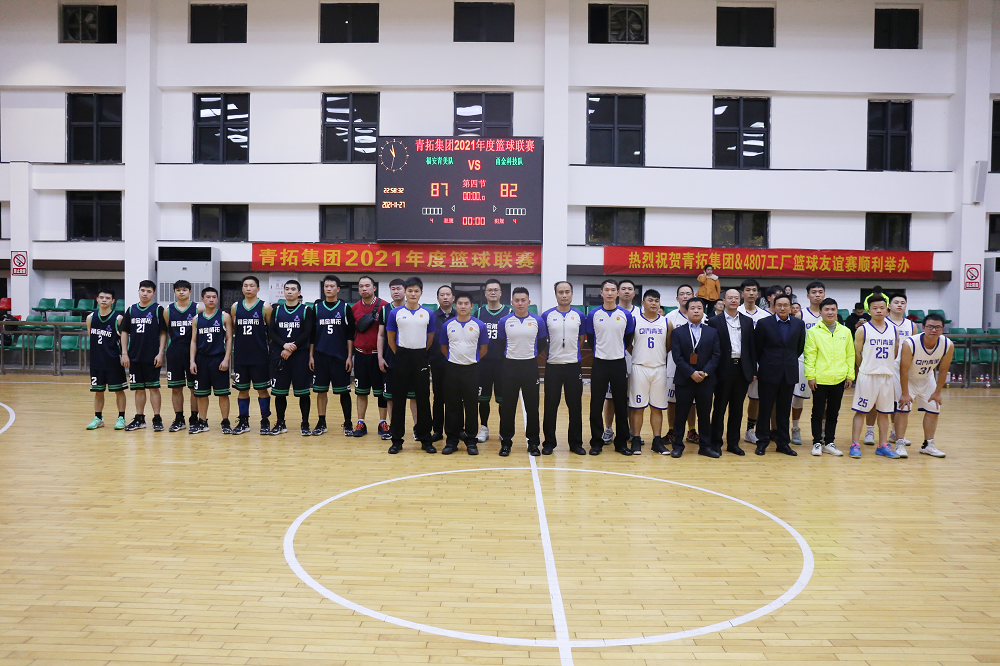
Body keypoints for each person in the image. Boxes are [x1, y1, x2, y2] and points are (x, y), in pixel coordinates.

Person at [385, 277, 437, 454]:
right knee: (398, 399)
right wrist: (401, 354)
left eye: (416, 291)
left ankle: (425, 439)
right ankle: (396, 440)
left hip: (420, 357)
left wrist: (419, 353)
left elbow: (430, 339)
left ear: (421, 293)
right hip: (401, 356)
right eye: (410, 291)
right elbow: (391, 338)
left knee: (423, 399)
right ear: (405, 292)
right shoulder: (395, 313)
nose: (413, 294)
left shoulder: (428, 313)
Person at [584, 279, 635, 455]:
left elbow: (627, 339)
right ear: (601, 293)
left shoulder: (626, 315)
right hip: (599, 363)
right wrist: (602, 352)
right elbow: (591, 339)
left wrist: (616, 351)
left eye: (613, 290)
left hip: (619, 363)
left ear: (617, 293)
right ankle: (596, 442)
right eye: (607, 290)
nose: (610, 293)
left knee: (621, 404)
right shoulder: (593, 314)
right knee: (596, 405)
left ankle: (621, 443)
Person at [497, 287, 547, 456]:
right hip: (509, 367)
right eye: (517, 300)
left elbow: (542, 343)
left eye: (523, 300)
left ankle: (533, 443)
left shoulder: (537, 321)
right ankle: (506, 443)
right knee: (507, 408)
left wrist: (529, 354)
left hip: (530, 367)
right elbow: (500, 344)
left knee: (532, 408)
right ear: (512, 302)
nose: (520, 303)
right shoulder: (504, 321)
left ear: (528, 302)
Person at [753, 294, 805, 456]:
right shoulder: (763, 323)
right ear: (774, 306)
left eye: (786, 305)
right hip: (768, 372)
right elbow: (757, 348)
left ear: (790, 307)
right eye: (779, 305)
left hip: (789, 372)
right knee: (765, 409)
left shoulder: (798, 324)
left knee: (784, 410)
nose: (782, 308)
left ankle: (783, 443)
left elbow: (799, 347)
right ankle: (762, 442)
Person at [895, 313, 952, 458]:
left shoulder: (948, 344)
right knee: (903, 408)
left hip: (927, 377)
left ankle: (928, 445)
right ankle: (899, 443)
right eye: (930, 327)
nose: (934, 330)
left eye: (937, 327)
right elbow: (903, 370)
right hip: (907, 377)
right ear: (923, 327)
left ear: (942, 329)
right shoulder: (910, 343)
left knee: (934, 408)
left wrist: (938, 392)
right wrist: (905, 393)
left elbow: (943, 370)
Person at [849, 294, 899, 459]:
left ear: (887, 309)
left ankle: (883, 445)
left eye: (882, 308)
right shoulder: (862, 329)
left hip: (887, 376)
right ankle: (855, 444)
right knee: (861, 411)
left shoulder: (894, 329)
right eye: (875, 308)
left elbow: (895, 352)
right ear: (868, 310)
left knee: (884, 413)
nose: (879, 311)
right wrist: (865, 369)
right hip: (868, 376)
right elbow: (857, 354)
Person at [439, 292, 489, 455]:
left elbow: (483, 348)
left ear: (471, 306)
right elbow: (444, 348)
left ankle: (471, 441)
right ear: (455, 305)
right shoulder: (448, 325)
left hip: (472, 370)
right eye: (460, 303)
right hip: (452, 369)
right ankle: (451, 441)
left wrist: (472, 360)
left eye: (466, 303)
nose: (463, 306)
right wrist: (454, 359)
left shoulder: (479, 325)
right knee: (452, 406)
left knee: (471, 406)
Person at [707, 288, 756, 456]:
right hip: (722, 369)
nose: (733, 300)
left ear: (740, 300)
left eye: (736, 298)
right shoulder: (714, 321)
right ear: (724, 300)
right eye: (730, 298)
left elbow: (751, 347)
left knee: (737, 408)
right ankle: (716, 442)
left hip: (742, 369)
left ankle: (733, 443)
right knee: (719, 408)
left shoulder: (747, 321)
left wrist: (753, 370)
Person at [669, 299, 720, 458]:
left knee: (704, 415)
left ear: (703, 311)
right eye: (692, 308)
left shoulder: (712, 332)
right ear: (686, 311)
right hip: (685, 379)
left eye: (699, 308)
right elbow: (677, 357)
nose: (696, 311)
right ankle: (677, 446)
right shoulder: (678, 332)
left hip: (706, 380)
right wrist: (691, 373)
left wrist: (704, 373)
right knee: (680, 414)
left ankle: (705, 446)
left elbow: (716, 355)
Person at [803, 297, 854, 456]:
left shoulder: (845, 331)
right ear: (820, 312)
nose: (830, 312)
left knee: (833, 412)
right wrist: (810, 376)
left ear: (837, 312)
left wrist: (850, 375)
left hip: (839, 379)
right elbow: (809, 355)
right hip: (820, 379)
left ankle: (830, 442)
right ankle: (817, 442)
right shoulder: (814, 332)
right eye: (827, 309)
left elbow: (850, 355)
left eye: (833, 309)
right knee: (818, 412)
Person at [541, 281, 586, 455]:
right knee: (550, 406)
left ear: (572, 294)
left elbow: (581, 339)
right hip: (553, 366)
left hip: (573, 367)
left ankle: (575, 443)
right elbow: (543, 340)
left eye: (567, 292)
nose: (564, 295)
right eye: (561, 292)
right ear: (556, 295)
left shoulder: (579, 315)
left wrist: (571, 354)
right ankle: (549, 443)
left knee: (575, 407)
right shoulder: (547, 315)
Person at [868, 292, 918, 447]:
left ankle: (896, 432)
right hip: (882, 365)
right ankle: (869, 431)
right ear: (889, 305)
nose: (899, 305)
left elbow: (916, 347)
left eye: (902, 302)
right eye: (896, 302)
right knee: (875, 401)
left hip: (903, 368)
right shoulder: (882, 323)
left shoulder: (911, 325)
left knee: (898, 402)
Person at [309, 275, 355, 437]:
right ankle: (321, 422)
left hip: (340, 357)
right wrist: (311, 356)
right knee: (321, 391)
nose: (328, 289)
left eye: (332, 286)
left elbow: (350, 335)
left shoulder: (345, 308)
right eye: (326, 286)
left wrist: (349, 357)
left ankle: (348, 423)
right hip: (320, 356)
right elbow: (312, 335)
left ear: (338, 289)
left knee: (344, 392)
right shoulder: (316, 308)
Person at [120, 280, 167, 432]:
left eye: (148, 291)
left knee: (154, 388)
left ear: (153, 294)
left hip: (152, 356)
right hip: (134, 356)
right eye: (142, 290)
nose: (145, 293)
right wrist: (124, 353)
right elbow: (124, 332)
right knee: (138, 389)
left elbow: (163, 333)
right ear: (139, 291)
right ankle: (139, 418)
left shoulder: (158, 309)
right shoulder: (131, 309)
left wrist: (160, 353)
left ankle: (157, 418)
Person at [269, 280, 315, 436]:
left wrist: (292, 347)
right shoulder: (276, 310)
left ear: (299, 292)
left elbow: (307, 332)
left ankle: (305, 423)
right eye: (287, 289)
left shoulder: (306, 310)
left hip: (299, 355)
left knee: (303, 392)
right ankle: (280, 422)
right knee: (279, 392)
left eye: (293, 289)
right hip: (281, 354)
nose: (289, 291)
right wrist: (284, 345)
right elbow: (271, 331)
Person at [628, 289, 670, 456]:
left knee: (657, 408)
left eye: (656, 301)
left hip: (659, 368)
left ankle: (657, 441)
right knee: (638, 407)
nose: (654, 303)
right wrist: (638, 354)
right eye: (650, 300)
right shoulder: (634, 320)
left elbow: (668, 345)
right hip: (640, 367)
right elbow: (628, 343)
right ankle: (636, 439)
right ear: (643, 303)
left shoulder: (666, 322)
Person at [230, 275, 273, 435]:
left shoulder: (265, 307)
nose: (248, 288)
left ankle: (265, 421)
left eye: (252, 285)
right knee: (242, 390)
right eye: (246, 285)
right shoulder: (235, 307)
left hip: (260, 356)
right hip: (241, 356)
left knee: (262, 390)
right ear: (242, 288)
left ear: (258, 288)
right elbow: (234, 328)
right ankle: (243, 421)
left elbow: (271, 332)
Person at [188, 286, 233, 434]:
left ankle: (225, 422)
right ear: (202, 299)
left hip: (218, 358)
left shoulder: (224, 316)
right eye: (208, 297)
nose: (211, 299)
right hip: (201, 359)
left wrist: (226, 359)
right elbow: (193, 341)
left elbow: (229, 339)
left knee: (223, 393)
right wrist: (192, 361)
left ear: (217, 299)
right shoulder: (196, 319)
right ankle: (202, 421)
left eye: (214, 297)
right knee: (201, 394)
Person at [378, 278, 417, 439]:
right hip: (391, 359)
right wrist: (380, 357)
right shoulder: (385, 310)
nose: (396, 291)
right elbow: (381, 335)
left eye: (399, 288)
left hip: (412, 359)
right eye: (392, 288)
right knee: (390, 396)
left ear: (405, 291)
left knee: (414, 396)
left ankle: (417, 428)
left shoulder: (415, 309)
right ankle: (394, 428)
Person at [602, 278, 640, 441]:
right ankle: (608, 429)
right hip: (614, 362)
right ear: (618, 292)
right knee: (610, 398)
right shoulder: (610, 311)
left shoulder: (640, 313)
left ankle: (631, 431)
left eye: (629, 289)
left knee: (632, 399)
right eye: (623, 288)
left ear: (634, 293)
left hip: (636, 363)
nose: (626, 291)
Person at [351, 275, 389, 438]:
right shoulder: (354, 308)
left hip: (378, 357)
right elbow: (351, 333)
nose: (364, 289)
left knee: (382, 392)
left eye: (367, 286)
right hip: (360, 355)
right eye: (361, 286)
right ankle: (361, 422)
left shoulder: (385, 306)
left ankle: (383, 422)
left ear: (374, 288)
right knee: (361, 392)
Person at [86, 288, 127, 431]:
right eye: (102, 297)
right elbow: (91, 337)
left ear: (113, 301)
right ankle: (98, 418)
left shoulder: (118, 318)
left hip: (114, 361)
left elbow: (124, 338)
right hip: (96, 361)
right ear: (97, 299)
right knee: (98, 391)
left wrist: (124, 354)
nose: (104, 300)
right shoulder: (90, 318)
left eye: (108, 298)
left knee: (119, 390)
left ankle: (121, 418)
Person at [790, 281, 826, 445]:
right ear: (808, 295)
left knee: (824, 401)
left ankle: (823, 431)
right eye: (814, 292)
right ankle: (795, 428)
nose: (817, 295)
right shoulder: (800, 315)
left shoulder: (829, 314)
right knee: (798, 398)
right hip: (803, 361)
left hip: (824, 363)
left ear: (824, 294)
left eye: (820, 292)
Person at [476, 279, 511, 443]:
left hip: (503, 364)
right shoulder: (478, 313)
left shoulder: (509, 312)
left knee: (503, 400)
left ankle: (504, 429)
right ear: (485, 293)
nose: (493, 292)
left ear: (501, 293)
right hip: (483, 364)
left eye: (496, 290)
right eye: (489, 290)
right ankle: (484, 428)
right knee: (483, 399)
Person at [163, 280, 200, 432]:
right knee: (176, 388)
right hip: (175, 350)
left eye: (184, 290)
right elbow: (165, 332)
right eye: (178, 290)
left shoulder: (198, 308)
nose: (181, 292)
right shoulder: (168, 310)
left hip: (193, 351)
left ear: (190, 292)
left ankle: (194, 418)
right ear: (174, 292)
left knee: (194, 388)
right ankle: (179, 419)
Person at [737, 278, 770, 444]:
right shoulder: (734, 312)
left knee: (755, 399)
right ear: (742, 293)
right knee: (735, 399)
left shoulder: (765, 316)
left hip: (758, 363)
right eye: (748, 290)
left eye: (754, 290)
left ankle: (750, 430)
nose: (751, 293)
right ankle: (732, 431)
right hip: (738, 363)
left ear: (758, 294)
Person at [665, 284, 698, 444]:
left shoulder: (702, 316)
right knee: (672, 401)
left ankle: (692, 430)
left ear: (693, 296)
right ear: (677, 298)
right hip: (674, 365)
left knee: (692, 402)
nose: (685, 296)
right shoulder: (670, 317)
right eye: (682, 294)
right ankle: (671, 430)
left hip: (696, 367)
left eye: (688, 294)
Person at [429, 285, 457, 442]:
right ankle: (438, 431)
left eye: (448, 294)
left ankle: (456, 430)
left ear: (453, 298)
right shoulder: (431, 317)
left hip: (457, 365)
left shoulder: (460, 316)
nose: (445, 297)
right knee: (438, 398)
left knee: (456, 399)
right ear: (437, 298)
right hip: (438, 364)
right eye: (442, 295)